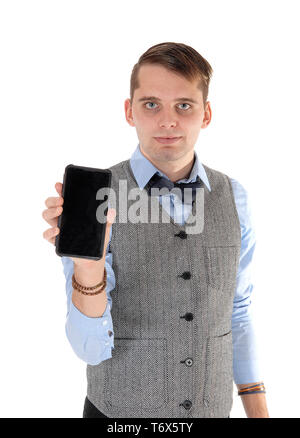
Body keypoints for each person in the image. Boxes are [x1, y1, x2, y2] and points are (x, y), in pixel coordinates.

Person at [42, 42, 269, 418]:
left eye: (184, 105)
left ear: (206, 113)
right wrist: (88, 269)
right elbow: (89, 350)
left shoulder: (234, 196)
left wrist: (258, 408)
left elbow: (237, 310)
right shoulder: (98, 198)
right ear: (130, 111)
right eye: (151, 104)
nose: (168, 121)